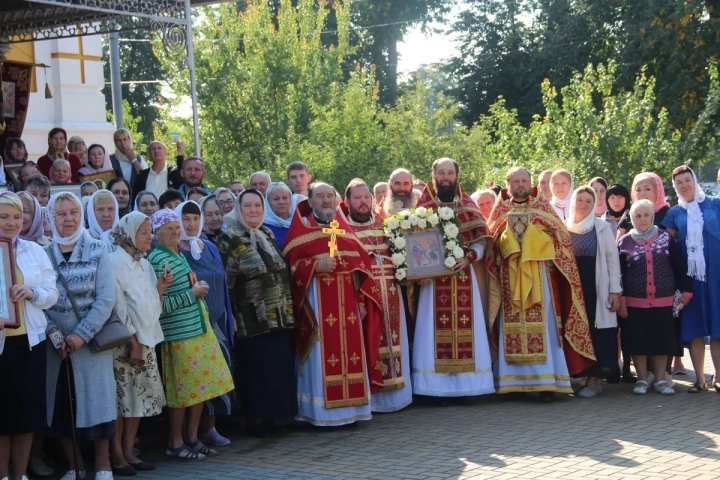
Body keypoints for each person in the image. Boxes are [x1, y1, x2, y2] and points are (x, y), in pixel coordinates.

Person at [486, 167, 595, 401]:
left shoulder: (543, 207)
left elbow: (563, 242)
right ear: (508, 184)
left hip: (541, 279)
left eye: (524, 180)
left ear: (530, 182)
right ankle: (511, 384)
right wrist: (505, 240)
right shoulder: (500, 210)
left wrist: (536, 237)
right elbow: (490, 244)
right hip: (509, 279)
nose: (520, 185)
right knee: (509, 330)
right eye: (516, 181)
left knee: (545, 328)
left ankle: (546, 383)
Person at [283, 182, 383, 426]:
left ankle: (353, 410)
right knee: (320, 356)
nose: (326, 201)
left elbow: (361, 270)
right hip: (317, 305)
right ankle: (321, 415)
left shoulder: (345, 231)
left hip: (348, 307)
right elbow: (290, 269)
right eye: (320, 196)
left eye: (330, 196)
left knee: (351, 354)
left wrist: (360, 300)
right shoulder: (300, 233)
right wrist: (316, 266)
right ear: (310, 201)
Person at [147, 209, 234, 460]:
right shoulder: (157, 259)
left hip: (199, 329)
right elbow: (159, 305)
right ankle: (175, 443)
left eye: (177, 228)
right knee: (181, 392)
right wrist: (192, 294)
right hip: (179, 333)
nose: (175, 233)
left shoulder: (179, 255)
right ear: (157, 233)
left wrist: (197, 294)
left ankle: (193, 438)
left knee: (200, 388)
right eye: (169, 229)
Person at [44, 192, 117, 480]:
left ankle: (103, 465)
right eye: (61, 214)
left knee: (98, 402)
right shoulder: (43, 253)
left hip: (90, 340)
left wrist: (81, 335)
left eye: (73, 212)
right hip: (56, 344)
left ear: (81, 214)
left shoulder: (98, 249)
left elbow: (105, 299)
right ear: (51, 218)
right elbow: (39, 302)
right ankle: (75, 465)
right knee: (63, 405)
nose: (68, 219)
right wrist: (54, 333)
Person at [412, 159, 495, 403]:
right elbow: (413, 243)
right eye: (441, 173)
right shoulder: (423, 207)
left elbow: (482, 240)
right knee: (431, 331)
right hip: (432, 284)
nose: (446, 177)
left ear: (457, 176)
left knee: (469, 330)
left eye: (450, 173)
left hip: (464, 279)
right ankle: (435, 389)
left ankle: (468, 388)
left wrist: (469, 258)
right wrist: (420, 268)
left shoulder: (468, 205)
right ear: (433, 175)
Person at [218, 188, 296, 437]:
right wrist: (230, 315)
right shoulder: (229, 238)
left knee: (276, 366)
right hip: (250, 319)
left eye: (257, 206)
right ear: (239, 210)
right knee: (256, 369)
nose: (253, 211)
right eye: (248, 206)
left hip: (279, 315)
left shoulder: (267, 233)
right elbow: (226, 283)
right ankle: (256, 418)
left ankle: (276, 416)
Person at [0, 192, 59, 480]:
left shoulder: (34, 251)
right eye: (4, 217)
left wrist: (32, 293)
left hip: (29, 343)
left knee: (26, 416)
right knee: (1, 417)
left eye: (17, 216)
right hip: (1, 346)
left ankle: (19, 474)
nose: (12, 222)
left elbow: (52, 294)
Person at [341, 179, 413, 412]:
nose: (363, 202)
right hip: (365, 296)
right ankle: (373, 398)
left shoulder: (386, 224)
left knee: (396, 339)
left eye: (365, 198)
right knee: (369, 342)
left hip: (392, 293)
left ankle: (399, 397)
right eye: (357, 198)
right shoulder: (344, 230)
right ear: (347, 201)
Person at [108, 212, 167, 476]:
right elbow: (118, 309)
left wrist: (161, 288)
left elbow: (151, 305)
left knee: (139, 400)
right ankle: (116, 454)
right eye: (144, 232)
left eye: (150, 231)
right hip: (125, 344)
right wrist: (133, 342)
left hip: (146, 341)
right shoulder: (112, 263)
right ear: (130, 235)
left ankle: (130, 450)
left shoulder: (144, 264)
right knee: (122, 402)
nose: (149, 237)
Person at [173, 201, 235, 447]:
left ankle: (210, 428)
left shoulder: (209, 246)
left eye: (195, 219)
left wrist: (230, 317)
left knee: (219, 375)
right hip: (194, 324)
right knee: (196, 379)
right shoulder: (175, 249)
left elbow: (223, 282)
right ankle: (191, 433)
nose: (191, 224)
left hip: (219, 320)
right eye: (186, 219)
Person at [619, 199, 692, 395]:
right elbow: (619, 274)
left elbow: (679, 266)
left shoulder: (666, 238)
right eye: (637, 216)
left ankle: (660, 379)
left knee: (662, 341)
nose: (642, 219)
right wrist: (622, 299)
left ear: (652, 217)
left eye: (646, 215)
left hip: (664, 302)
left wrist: (686, 292)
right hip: (634, 303)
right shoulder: (624, 241)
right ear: (632, 219)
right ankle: (642, 379)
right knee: (638, 342)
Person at [663, 166, 720, 392]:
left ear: (695, 181)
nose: (684, 185)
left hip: (717, 276)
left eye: (687, 180)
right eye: (679, 183)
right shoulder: (675, 213)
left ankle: (718, 376)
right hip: (691, 279)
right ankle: (700, 379)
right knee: (695, 327)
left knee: (718, 327)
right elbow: (668, 246)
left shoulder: (715, 204)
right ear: (675, 187)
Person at [565, 186, 622, 397]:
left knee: (598, 332)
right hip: (572, 289)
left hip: (597, 287)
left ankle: (594, 380)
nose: (583, 205)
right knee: (580, 331)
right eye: (580, 200)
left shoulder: (601, 227)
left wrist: (615, 290)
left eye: (589, 201)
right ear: (573, 202)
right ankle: (582, 374)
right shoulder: (564, 227)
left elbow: (612, 260)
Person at [616, 172, 670, 240]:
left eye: (647, 189)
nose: (642, 194)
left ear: (657, 191)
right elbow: (618, 245)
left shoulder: (668, 213)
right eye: (638, 190)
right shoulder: (629, 214)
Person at [263, 182, 298, 249]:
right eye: (276, 199)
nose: (281, 202)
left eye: (285, 198)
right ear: (268, 202)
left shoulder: (299, 221)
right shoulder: (263, 227)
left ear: (291, 200)